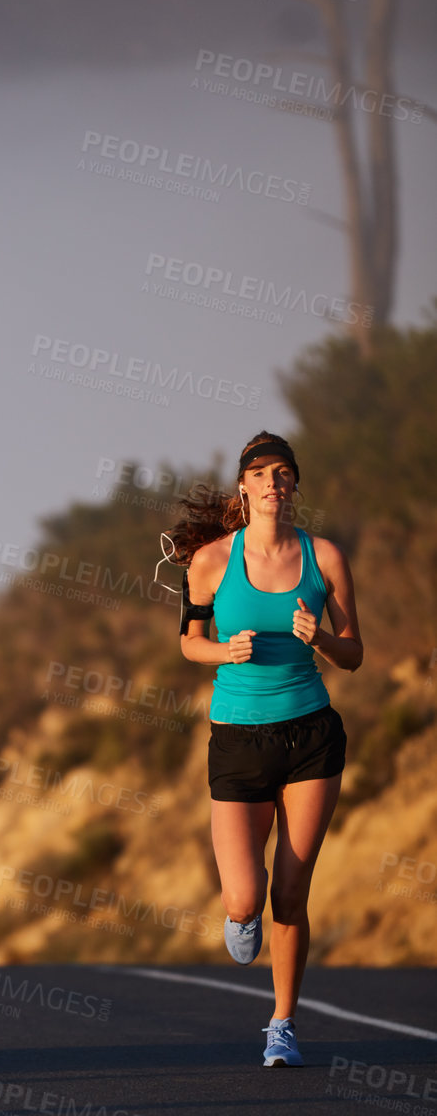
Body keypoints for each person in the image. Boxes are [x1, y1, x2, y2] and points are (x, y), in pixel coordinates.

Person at [171, 432, 362, 1067]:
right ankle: (239, 912)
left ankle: (282, 1023)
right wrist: (224, 651)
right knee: (244, 902)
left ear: (294, 486)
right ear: (244, 488)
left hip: (310, 735)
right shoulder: (211, 562)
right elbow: (189, 642)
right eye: (262, 472)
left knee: (290, 894)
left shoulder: (325, 557)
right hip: (238, 738)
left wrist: (323, 642)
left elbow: (354, 652)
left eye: (285, 473)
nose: (274, 482)